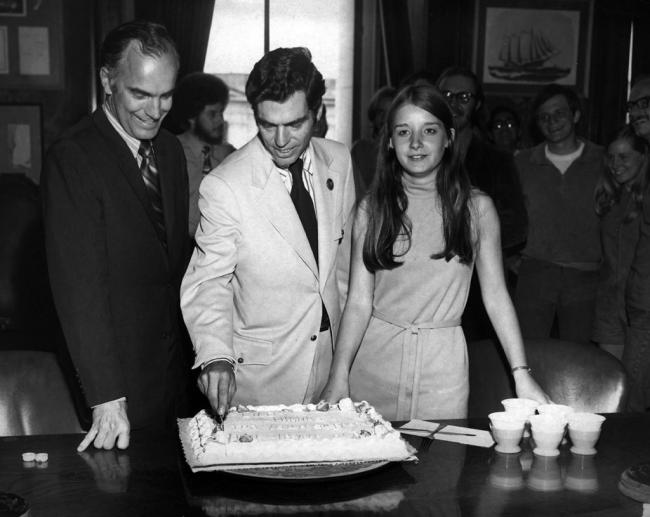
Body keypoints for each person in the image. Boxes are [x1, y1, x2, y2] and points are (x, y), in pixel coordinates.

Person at [320, 84, 548, 420]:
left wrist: (521, 374)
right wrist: (338, 375)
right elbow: (357, 301)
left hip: (443, 370)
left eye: (429, 130)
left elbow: (497, 297)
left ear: (449, 138)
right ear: (388, 141)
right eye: (403, 131)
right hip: (374, 365)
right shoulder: (372, 209)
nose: (415, 143)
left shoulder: (476, 209)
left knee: (441, 468)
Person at [180, 47, 356, 419]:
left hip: (332, 372)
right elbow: (208, 283)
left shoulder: (339, 162)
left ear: (317, 112)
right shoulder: (226, 185)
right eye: (266, 124)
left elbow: (342, 272)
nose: (280, 140)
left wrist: (343, 365)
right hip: (262, 381)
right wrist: (216, 358)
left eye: (294, 124)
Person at [42, 21, 191, 451]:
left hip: (173, 379)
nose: (155, 110)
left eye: (166, 96)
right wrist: (107, 396)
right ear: (108, 81)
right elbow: (79, 290)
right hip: (116, 387)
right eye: (139, 94)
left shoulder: (169, 151)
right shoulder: (73, 158)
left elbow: (172, 268)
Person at [436, 66, 527, 341]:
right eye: (447, 94)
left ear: (477, 104)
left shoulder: (497, 160)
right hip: (425, 285)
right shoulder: (416, 152)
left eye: (464, 97)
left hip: (478, 287)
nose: (454, 103)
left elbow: (516, 226)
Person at [514, 84, 603, 344]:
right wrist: (509, 258)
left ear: (575, 116)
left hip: (585, 276)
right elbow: (505, 214)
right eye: (544, 117)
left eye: (559, 114)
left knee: (579, 358)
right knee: (527, 353)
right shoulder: (522, 163)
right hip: (534, 274)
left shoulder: (602, 160)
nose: (552, 122)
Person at [592, 126, 648, 361]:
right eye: (611, 157)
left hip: (640, 305)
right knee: (613, 383)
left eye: (624, 157)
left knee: (638, 388)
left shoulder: (645, 199)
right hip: (609, 304)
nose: (615, 164)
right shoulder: (609, 197)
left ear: (643, 157)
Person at [171, 72, 236, 237]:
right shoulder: (170, 153)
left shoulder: (229, 156)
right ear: (192, 116)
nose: (220, 120)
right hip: (182, 252)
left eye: (221, 113)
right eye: (213, 114)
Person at [624, 74, 650, 411]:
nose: (637, 111)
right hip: (641, 301)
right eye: (633, 105)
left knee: (631, 409)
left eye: (646, 102)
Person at [350, 86, 397, 198]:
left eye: (390, 113)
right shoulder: (361, 150)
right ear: (374, 115)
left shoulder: (403, 151)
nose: (385, 118)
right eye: (381, 112)